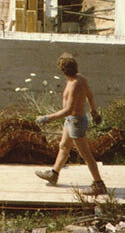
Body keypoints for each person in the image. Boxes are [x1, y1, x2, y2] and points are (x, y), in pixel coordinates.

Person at [34, 52, 107, 196]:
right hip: (71, 121)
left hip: (76, 122)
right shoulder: (79, 79)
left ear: (63, 71)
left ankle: (99, 185)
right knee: (64, 146)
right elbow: (90, 96)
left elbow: (68, 110)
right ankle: (54, 174)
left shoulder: (75, 84)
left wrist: (47, 118)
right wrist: (94, 112)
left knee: (86, 155)